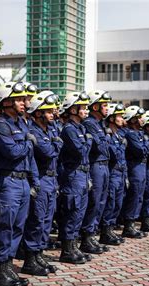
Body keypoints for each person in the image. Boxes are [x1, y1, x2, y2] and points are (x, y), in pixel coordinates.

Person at [0, 81, 39, 286]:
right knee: (4, 226)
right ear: (6, 101)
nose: (23, 103)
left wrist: (34, 181)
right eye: (18, 99)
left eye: (23, 99)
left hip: (22, 181)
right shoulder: (1, 125)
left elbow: (29, 157)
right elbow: (13, 152)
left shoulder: (21, 125)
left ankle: (8, 267)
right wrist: (28, 142)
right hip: (7, 182)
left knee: (17, 226)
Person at [22, 90, 62, 276]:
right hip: (41, 178)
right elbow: (48, 152)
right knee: (36, 220)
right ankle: (30, 260)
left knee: (46, 220)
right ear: (38, 113)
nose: (53, 114)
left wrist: (55, 143)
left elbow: (54, 149)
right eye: (48, 111)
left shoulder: (48, 130)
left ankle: (38, 254)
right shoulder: (33, 131)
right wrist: (56, 143)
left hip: (51, 179)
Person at [57, 91, 92, 264]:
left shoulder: (81, 128)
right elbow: (81, 151)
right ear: (73, 110)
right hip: (73, 174)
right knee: (72, 211)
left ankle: (74, 246)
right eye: (83, 107)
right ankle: (66, 250)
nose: (86, 110)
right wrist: (89, 141)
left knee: (79, 212)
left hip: (83, 173)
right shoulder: (70, 129)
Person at [80, 90, 112, 254]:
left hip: (104, 165)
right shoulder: (90, 123)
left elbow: (106, 145)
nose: (107, 108)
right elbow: (100, 146)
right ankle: (86, 238)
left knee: (101, 202)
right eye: (104, 105)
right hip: (96, 165)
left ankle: (92, 235)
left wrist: (104, 139)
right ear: (95, 106)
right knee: (94, 202)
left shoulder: (100, 124)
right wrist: (105, 139)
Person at [99, 103, 127, 246]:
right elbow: (114, 154)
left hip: (120, 172)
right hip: (112, 172)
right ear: (111, 118)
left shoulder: (118, 134)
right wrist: (121, 144)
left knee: (118, 202)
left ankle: (110, 229)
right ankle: (105, 231)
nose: (122, 119)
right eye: (119, 116)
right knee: (110, 203)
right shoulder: (108, 134)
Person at [120, 106, 149, 239]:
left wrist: (145, 147)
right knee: (134, 195)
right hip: (135, 167)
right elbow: (140, 150)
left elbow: (147, 150)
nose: (142, 120)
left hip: (141, 166)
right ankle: (128, 225)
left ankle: (133, 223)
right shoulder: (130, 134)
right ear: (133, 119)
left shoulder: (139, 134)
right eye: (139, 117)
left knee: (139, 196)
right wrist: (146, 147)